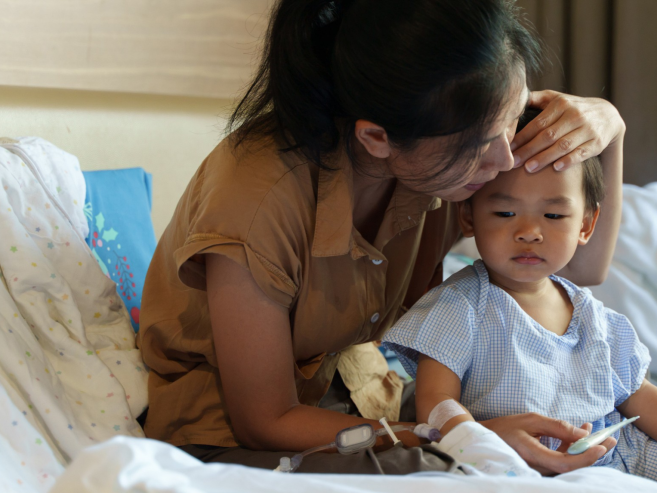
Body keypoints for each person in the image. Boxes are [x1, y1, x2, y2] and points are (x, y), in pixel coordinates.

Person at [137, 0, 626, 474]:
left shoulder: (452, 133)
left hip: (362, 394)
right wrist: (463, 435)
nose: (504, 161)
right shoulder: (256, 199)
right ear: (376, 138)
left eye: (510, 120)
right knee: (455, 474)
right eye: (479, 146)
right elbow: (265, 420)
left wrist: (611, 128)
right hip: (230, 434)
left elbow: (580, 268)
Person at [383, 109, 657, 479]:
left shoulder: (595, 318)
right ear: (468, 217)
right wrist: (483, 446)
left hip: (623, 458)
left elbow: (638, 395)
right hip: (518, 463)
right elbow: (436, 405)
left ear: (586, 225)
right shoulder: (460, 306)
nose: (529, 231)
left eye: (554, 216)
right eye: (506, 212)